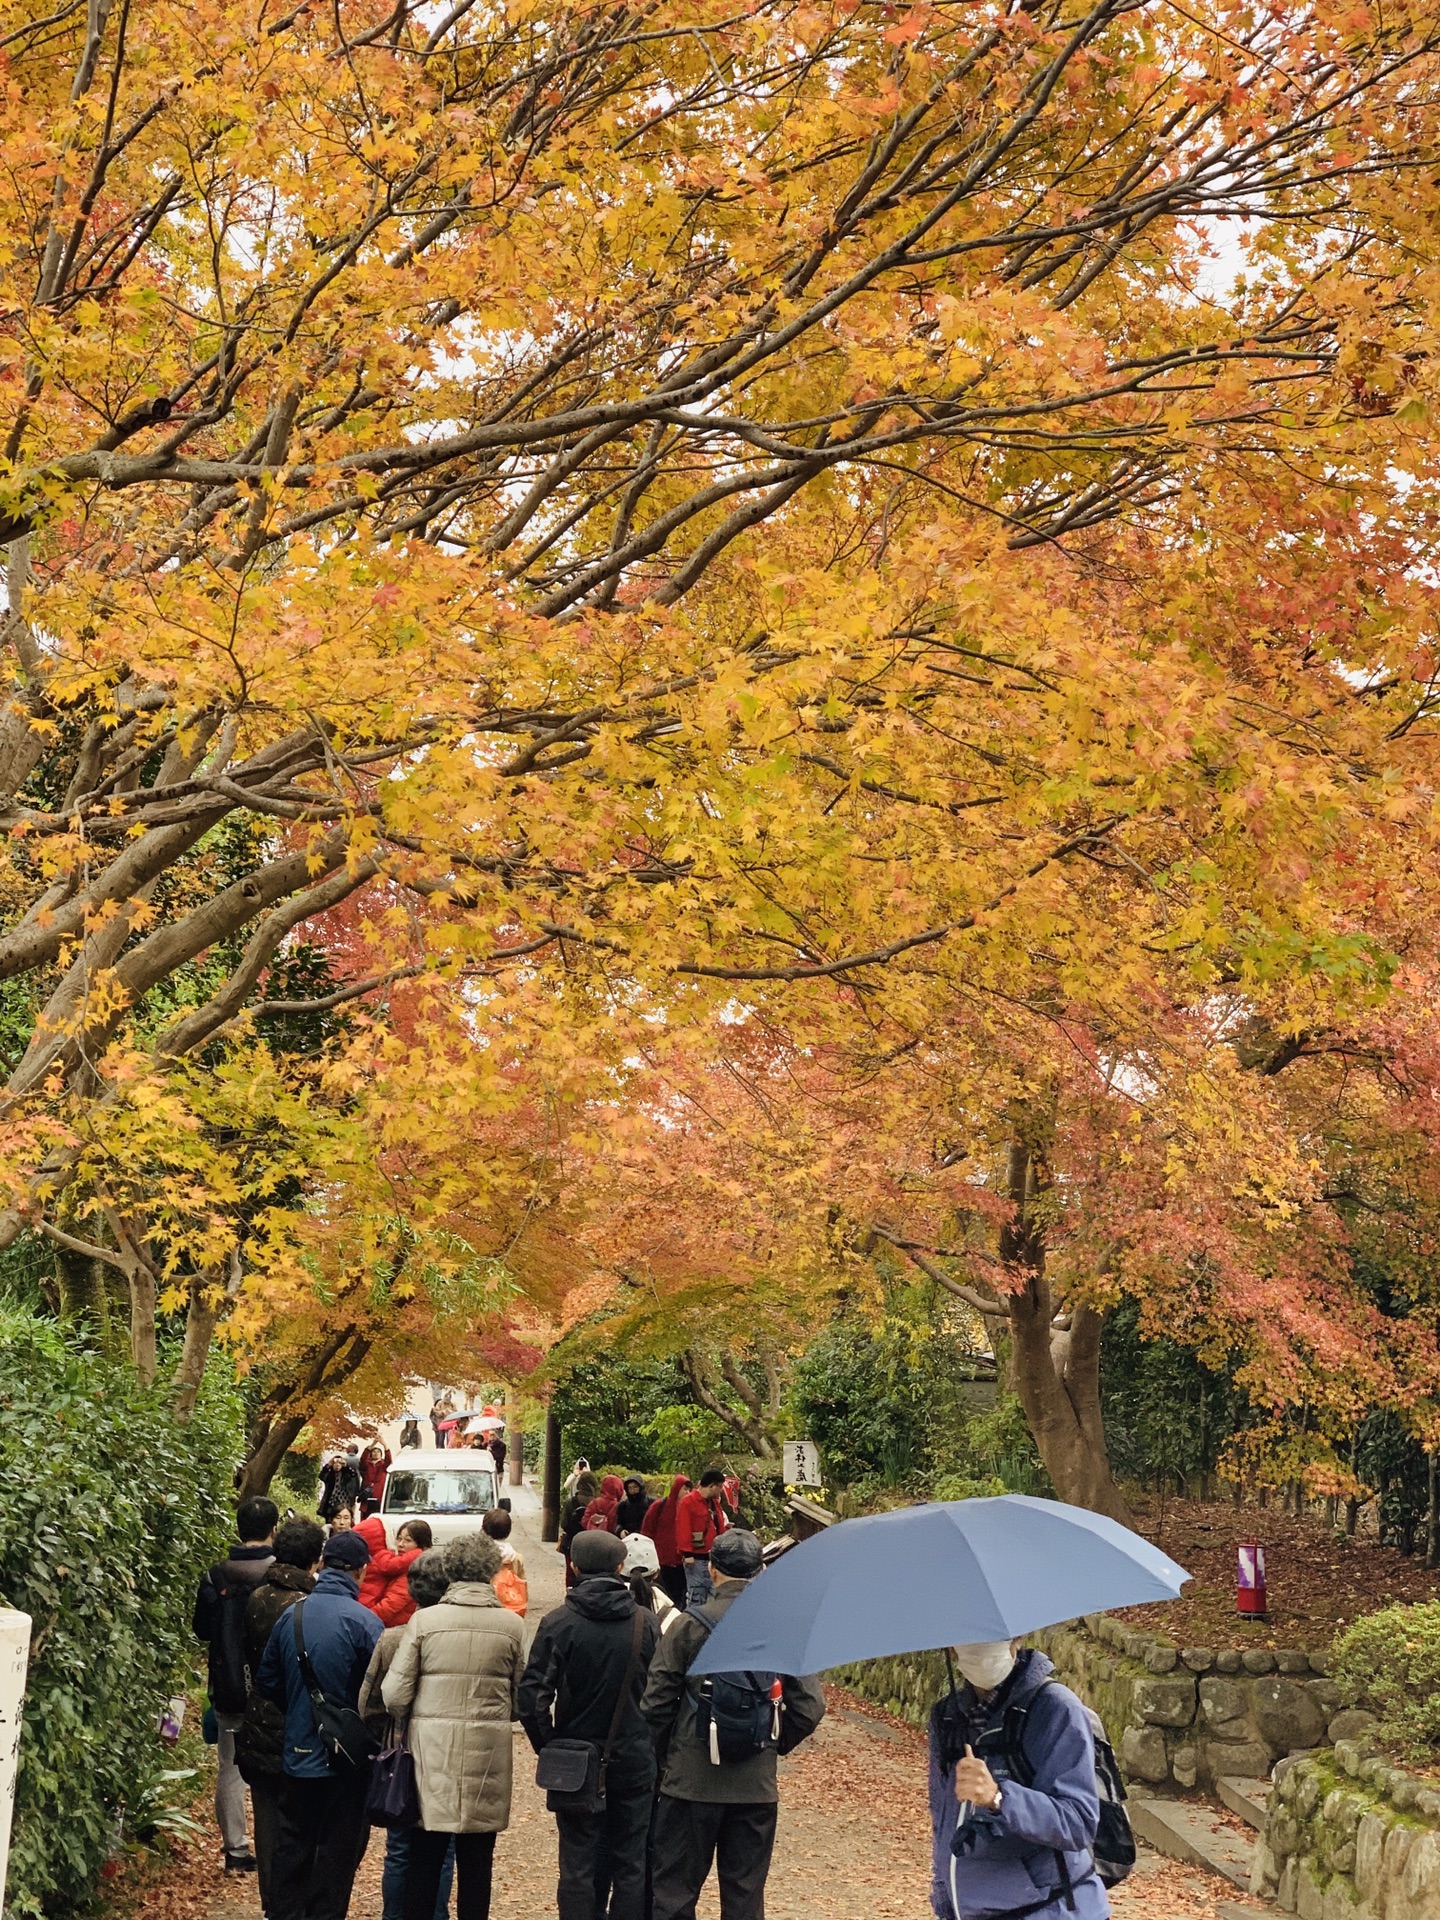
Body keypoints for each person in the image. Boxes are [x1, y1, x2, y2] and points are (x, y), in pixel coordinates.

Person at [642, 1529, 826, 1920]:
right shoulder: (782, 1627)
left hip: (690, 1782)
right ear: (760, 1571)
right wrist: (770, 1742)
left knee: (675, 1893)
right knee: (744, 1897)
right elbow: (810, 1707)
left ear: (711, 1570)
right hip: (755, 1788)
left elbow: (655, 1704)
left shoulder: (689, 1626)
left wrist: (669, 1757)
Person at [519, 1530, 662, 1920]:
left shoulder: (559, 1622)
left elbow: (532, 1699)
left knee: (578, 1864)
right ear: (620, 1567)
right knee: (631, 1862)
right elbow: (662, 1695)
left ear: (574, 1566)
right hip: (634, 1755)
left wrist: (550, 1744)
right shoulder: (645, 1624)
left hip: (575, 1758)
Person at [382, 1532, 525, 1920]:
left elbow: (394, 1694)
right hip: (487, 1757)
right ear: (491, 1571)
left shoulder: (426, 1621)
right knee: (478, 1864)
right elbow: (518, 1701)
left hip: (432, 1755)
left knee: (424, 1857)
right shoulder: (511, 1626)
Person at [928, 1640, 1110, 1920]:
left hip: (1051, 1910)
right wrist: (945, 1903)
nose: (981, 1647)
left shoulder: (1056, 1708)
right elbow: (943, 1824)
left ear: (1017, 1639)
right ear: (952, 1648)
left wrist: (999, 1798)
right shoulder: (947, 1717)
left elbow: (1079, 1822)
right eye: (970, 1639)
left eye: (993, 1637)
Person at [256, 1529, 384, 1920]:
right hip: (347, 1762)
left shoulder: (290, 1616)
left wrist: (300, 1710)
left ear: (323, 1565)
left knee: (292, 1845)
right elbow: (379, 1696)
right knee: (337, 1852)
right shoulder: (366, 1623)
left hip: (298, 1754)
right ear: (361, 1572)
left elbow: (267, 1682)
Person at [359, 1550, 457, 1920]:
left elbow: (367, 1703)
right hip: (445, 1751)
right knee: (443, 1846)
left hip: (400, 1751)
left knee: (399, 1846)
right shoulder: (457, 1638)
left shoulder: (391, 1639)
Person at [234, 1517, 324, 1917]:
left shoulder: (257, 1596)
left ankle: (273, 1902)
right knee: (305, 1820)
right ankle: (300, 1901)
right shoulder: (311, 1605)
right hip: (301, 1723)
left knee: (268, 1820)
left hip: (260, 1721)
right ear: (315, 1560)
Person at [193, 1494, 279, 1872]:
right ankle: (276, 1844)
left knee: (229, 1766)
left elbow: (200, 1629)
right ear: (273, 1530)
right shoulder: (282, 1573)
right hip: (274, 1687)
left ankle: (237, 1850)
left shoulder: (216, 1574)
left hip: (229, 1683)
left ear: (239, 1528)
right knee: (275, 1764)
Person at [357, 1515, 433, 1627]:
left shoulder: (413, 1573)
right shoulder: (402, 1567)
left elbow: (388, 1607)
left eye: (408, 1540)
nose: (401, 1544)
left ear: (421, 1545)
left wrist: (362, 1620)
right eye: (399, 1539)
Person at [674, 1470, 729, 1606]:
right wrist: (687, 1553)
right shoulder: (688, 1502)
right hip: (696, 1557)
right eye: (720, 1487)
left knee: (714, 1594)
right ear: (712, 1486)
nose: (721, 1490)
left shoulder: (714, 1502)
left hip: (713, 1556)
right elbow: (683, 1527)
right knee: (696, 1595)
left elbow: (719, 1523)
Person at [641, 1476, 691, 1610]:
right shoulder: (659, 1506)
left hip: (682, 1560)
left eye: (689, 1490)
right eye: (684, 1489)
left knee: (681, 1593)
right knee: (664, 1592)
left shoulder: (689, 1508)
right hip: (661, 1559)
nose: (687, 1492)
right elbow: (647, 1529)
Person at [482, 1509, 527, 1617]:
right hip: (509, 1606)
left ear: (484, 1528)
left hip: (486, 1604)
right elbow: (523, 1584)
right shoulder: (516, 1557)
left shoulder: (481, 1555)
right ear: (508, 1531)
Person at [560, 1472, 599, 1588]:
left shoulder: (570, 1502)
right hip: (591, 1542)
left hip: (572, 1543)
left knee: (571, 1572)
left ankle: (571, 1592)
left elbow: (564, 1524)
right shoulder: (597, 1503)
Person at [319, 1447, 363, 1522]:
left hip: (343, 1500)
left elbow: (353, 1474)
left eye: (339, 1464)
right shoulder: (330, 1474)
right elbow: (321, 1476)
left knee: (342, 1515)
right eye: (335, 1464)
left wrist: (346, 1466)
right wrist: (328, 1465)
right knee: (330, 1520)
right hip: (330, 1500)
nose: (337, 1465)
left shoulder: (345, 1475)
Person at [362, 1442, 392, 1506]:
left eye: (378, 1452)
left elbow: (389, 1460)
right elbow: (363, 1457)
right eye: (374, 1452)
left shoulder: (383, 1464)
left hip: (379, 1492)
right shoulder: (367, 1464)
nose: (376, 1453)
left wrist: (384, 1444)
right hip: (367, 1493)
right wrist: (373, 1443)